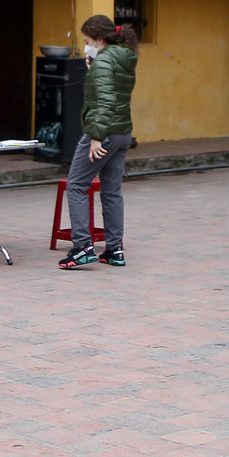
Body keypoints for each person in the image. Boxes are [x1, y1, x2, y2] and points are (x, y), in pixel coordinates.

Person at [59, 15, 137, 270]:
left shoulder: (104, 60)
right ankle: (114, 249)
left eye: (87, 41)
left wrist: (95, 137)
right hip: (122, 132)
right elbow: (115, 92)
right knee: (112, 191)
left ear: (100, 40)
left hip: (103, 132)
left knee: (76, 185)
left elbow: (105, 101)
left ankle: (82, 246)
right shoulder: (123, 58)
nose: (85, 46)